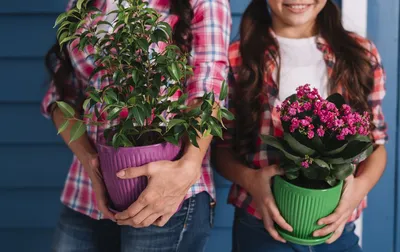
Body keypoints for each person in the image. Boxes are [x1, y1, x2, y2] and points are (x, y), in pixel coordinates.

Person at [41, 0, 231, 251]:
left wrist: (189, 165)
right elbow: (61, 98)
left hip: (165, 189)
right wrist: (90, 161)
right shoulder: (84, 4)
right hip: (87, 188)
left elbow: (208, 90)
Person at [214, 0, 387, 251]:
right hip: (261, 226)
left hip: (337, 230)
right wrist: (250, 180)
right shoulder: (237, 57)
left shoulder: (361, 54)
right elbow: (221, 150)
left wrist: (358, 190)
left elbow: (376, 145)